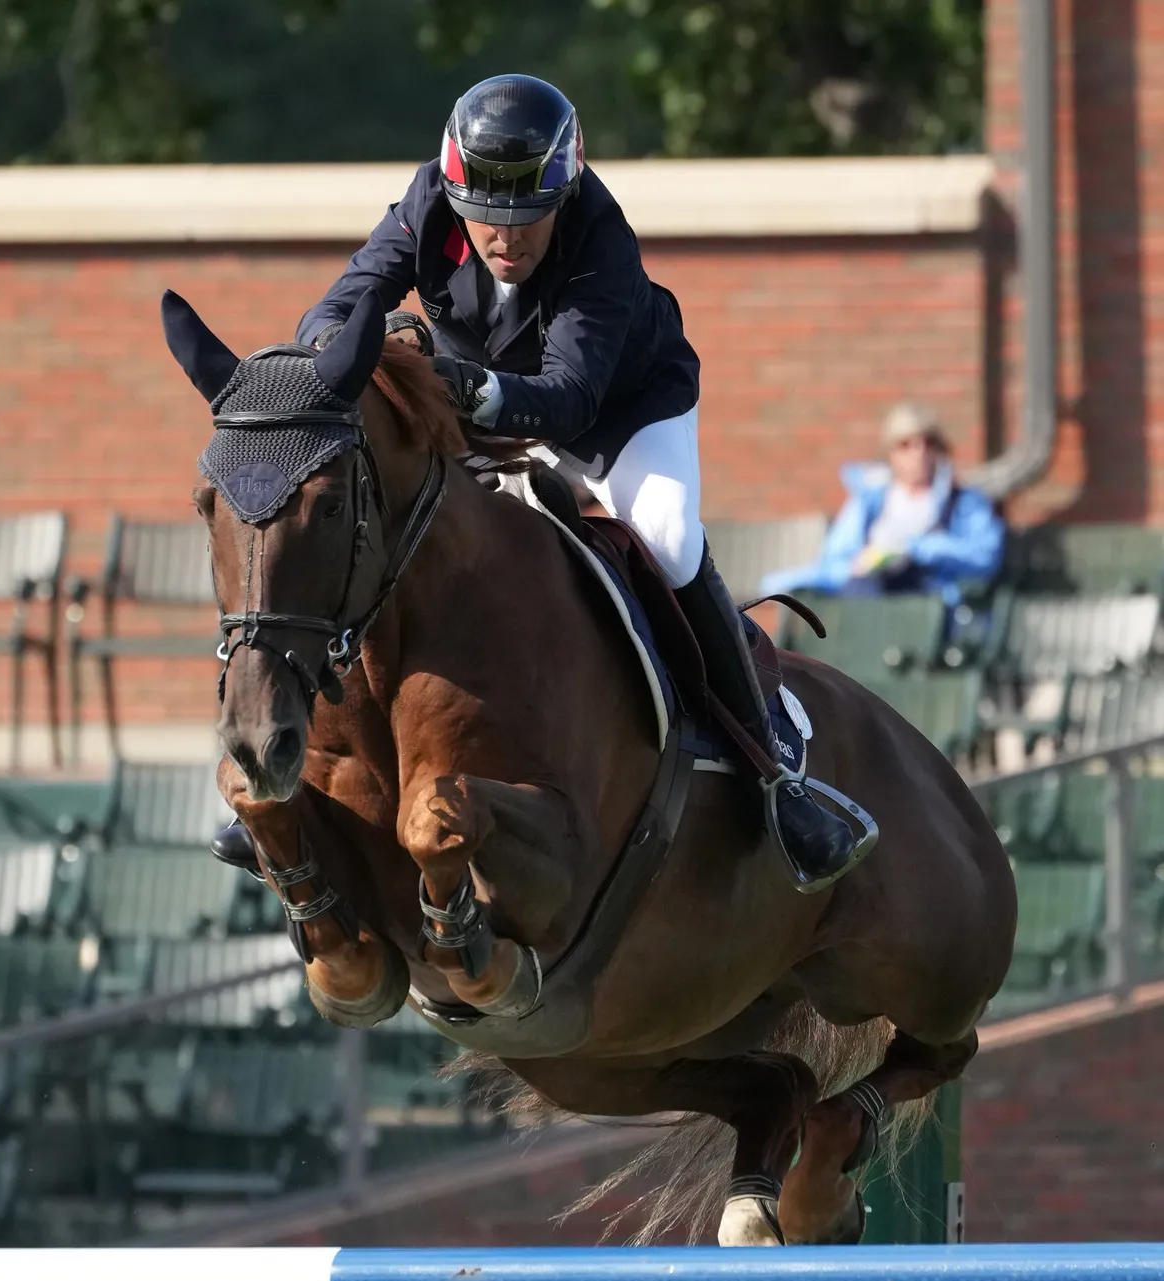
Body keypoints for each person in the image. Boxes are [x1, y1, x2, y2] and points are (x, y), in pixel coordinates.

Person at [213, 74, 857, 886]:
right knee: (370, 520)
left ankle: (772, 768)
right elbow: (342, 302)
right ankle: (290, 770)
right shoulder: (428, 199)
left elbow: (570, 394)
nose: (505, 237)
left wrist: (466, 386)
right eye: (485, 215)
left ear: (565, 194)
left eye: (528, 217)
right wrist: (337, 352)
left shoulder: (599, 234)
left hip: (618, 414)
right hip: (480, 403)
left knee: (666, 540)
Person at [760, 403, 1004, 627]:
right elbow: (835, 559)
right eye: (905, 444)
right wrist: (859, 565)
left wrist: (915, 548)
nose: (918, 453)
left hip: (933, 606)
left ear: (940, 450)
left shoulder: (964, 502)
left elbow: (985, 557)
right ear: (891, 453)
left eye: (928, 443)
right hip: (869, 599)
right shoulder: (869, 500)